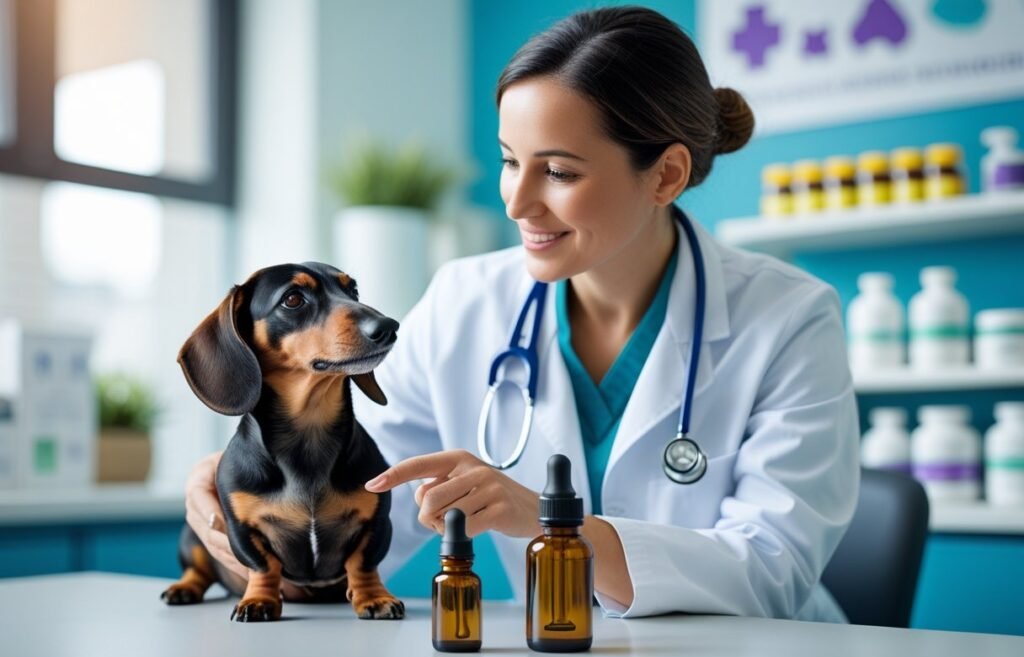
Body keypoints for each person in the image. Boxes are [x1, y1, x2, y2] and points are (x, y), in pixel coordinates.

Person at [185, 5, 859, 620]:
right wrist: (240, 508)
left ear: (666, 175)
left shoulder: (790, 316)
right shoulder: (463, 303)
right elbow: (357, 518)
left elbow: (773, 569)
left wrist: (547, 521)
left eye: (559, 172)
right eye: (511, 162)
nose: (516, 202)